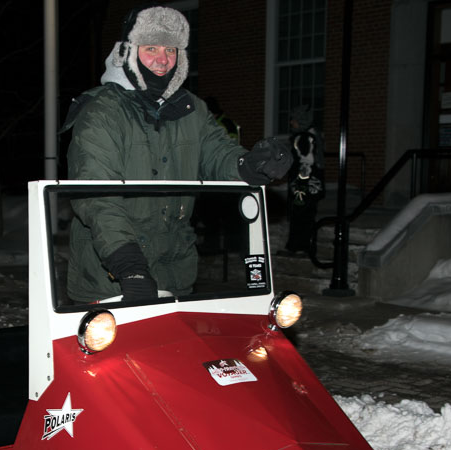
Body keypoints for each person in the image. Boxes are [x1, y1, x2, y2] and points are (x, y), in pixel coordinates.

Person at [61, 4, 291, 304]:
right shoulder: (102, 112)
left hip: (175, 274)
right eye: (151, 48)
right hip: (110, 278)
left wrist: (249, 165)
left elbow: (216, 153)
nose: (162, 60)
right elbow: (95, 196)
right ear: (129, 52)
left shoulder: (191, 110)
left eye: (171, 50)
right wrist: (128, 266)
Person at [282, 105, 325, 256]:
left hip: (303, 187)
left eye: (294, 120)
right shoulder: (314, 135)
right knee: (305, 216)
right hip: (310, 187)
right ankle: (301, 246)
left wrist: (299, 185)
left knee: (300, 216)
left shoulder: (303, 138)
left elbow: (306, 162)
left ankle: (299, 246)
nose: (291, 123)